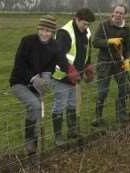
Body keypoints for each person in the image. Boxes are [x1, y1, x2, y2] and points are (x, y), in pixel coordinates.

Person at [9, 15, 79, 165]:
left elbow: (60, 61)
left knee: (36, 112)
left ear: (52, 32)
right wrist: (34, 79)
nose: (44, 33)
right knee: (34, 106)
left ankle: (34, 148)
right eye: (42, 29)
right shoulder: (27, 41)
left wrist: (71, 71)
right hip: (20, 82)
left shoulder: (54, 46)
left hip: (40, 83)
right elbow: (19, 65)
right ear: (38, 28)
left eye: (48, 31)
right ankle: (29, 141)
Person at [51, 8, 95, 145]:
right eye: (84, 24)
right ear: (76, 18)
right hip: (62, 76)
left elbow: (87, 51)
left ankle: (72, 130)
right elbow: (58, 55)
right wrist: (70, 70)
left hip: (76, 76)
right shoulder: (64, 33)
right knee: (60, 104)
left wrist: (88, 67)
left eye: (88, 24)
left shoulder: (87, 32)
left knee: (72, 104)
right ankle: (58, 136)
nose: (86, 27)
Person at [92, 4, 130, 127]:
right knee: (103, 91)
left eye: (121, 13)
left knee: (124, 89)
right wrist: (109, 42)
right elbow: (95, 42)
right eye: (116, 12)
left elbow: (129, 48)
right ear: (113, 13)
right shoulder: (104, 26)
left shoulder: (126, 29)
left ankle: (121, 115)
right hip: (104, 63)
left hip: (120, 63)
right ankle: (97, 116)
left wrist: (128, 60)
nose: (118, 15)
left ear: (124, 15)